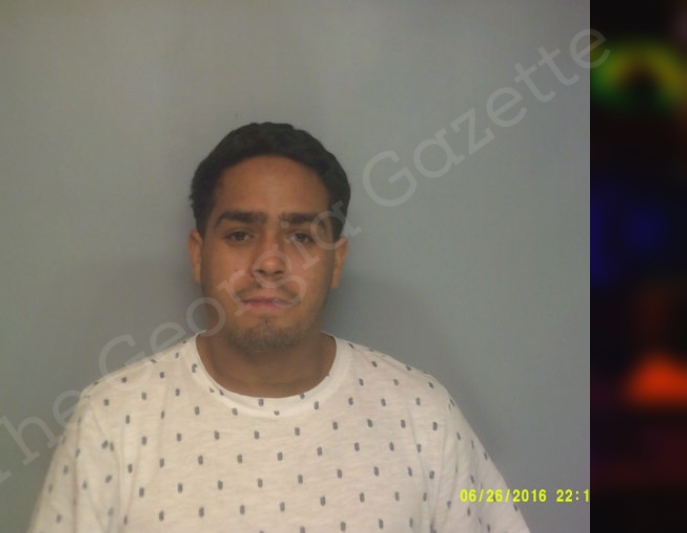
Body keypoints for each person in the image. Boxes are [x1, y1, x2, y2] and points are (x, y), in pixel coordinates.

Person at [28, 122, 530, 533]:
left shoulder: (423, 418)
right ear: (199, 255)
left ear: (336, 261)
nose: (269, 261)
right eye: (240, 234)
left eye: (301, 236)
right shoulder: (112, 420)